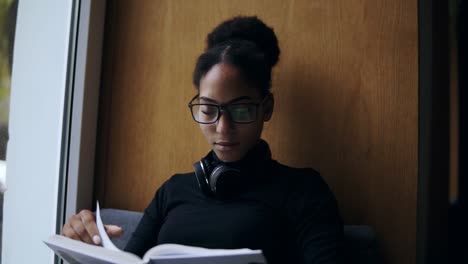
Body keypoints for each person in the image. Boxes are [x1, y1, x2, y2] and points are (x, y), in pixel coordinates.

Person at [62, 16, 343, 263]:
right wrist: (86, 246)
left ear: (266, 108)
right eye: (208, 109)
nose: (222, 128)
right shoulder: (172, 192)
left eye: (240, 110)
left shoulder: (304, 191)